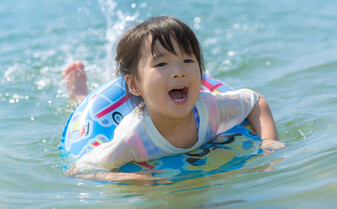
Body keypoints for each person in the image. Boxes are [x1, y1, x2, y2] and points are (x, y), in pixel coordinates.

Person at [62, 16, 285, 181]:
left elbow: (255, 101)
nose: (179, 72)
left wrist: (268, 140)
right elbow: (78, 171)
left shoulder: (210, 107)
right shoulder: (133, 138)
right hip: (122, 117)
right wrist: (125, 178)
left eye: (188, 60)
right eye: (161, 64)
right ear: (135, 84)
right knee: (86, 104)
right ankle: (80, 96)